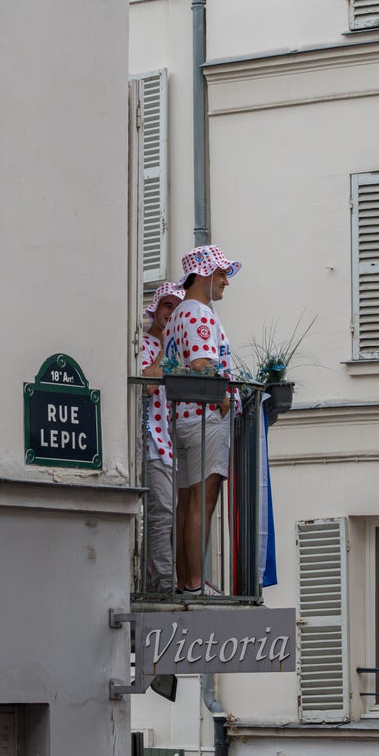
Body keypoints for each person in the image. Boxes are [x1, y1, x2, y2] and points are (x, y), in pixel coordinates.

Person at [162, 245, 242, 595]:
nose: (226, 281)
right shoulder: (198, 313)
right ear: (203, 274)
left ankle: (186, 581)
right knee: (203, 500)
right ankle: (195, 583)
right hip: (205, 416)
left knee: (188, 502)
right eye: (221, 273)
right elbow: (201, 364)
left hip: (183, 418)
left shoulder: (179, 313)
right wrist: (225, 399)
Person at [140, 281, 185, 592]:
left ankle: (181, 578)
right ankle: (165, 583)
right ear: (156, 310)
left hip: (180, 443)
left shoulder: (184, 349)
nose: (171, 312)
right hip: (155, 441)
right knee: (163, 513)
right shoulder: (143, 344)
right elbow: (149, 385)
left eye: (176, 307)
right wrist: (166, 346)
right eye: (167, 306)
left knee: (180, 515)